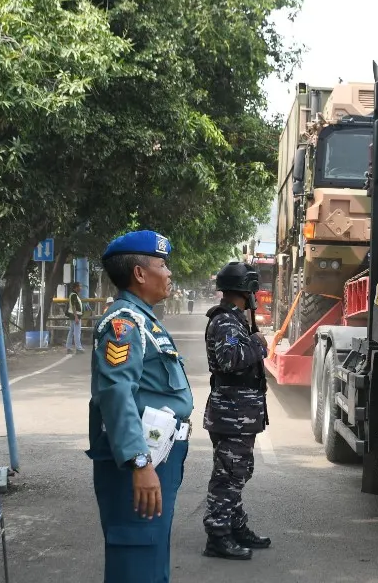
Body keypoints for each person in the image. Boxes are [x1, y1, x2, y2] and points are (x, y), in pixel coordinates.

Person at [86, 230, 194, 583]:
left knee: (150, 552)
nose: (169, 273)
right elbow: (116, 394)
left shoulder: (143, 319)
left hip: (158, 454)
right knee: (135, 556)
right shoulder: (124, 324)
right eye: (162, 265)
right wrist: (140, 462)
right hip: (139, 461)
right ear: (140, 274)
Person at [201, 261, 272, 560]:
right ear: (247, 290)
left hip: (237, 413)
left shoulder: (233, 319)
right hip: (232, 414)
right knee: (229, 474)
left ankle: (234, 525)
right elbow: (230, 358)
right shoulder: (227, 323)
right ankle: (218, 536)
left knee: (236, 472)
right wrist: (257, 343)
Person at [65, 281, 84, 354]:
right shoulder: (73, 295)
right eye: (80, 286)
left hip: (74, 316)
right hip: (75, 316)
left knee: (71, 332)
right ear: (76, 287)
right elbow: (73, 306)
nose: (81, 288)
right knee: (77, 332)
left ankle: (69, 347)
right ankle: (78, 348)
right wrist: (76, 317)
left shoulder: (74, 295)